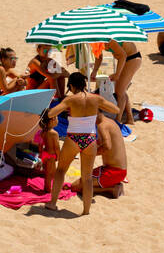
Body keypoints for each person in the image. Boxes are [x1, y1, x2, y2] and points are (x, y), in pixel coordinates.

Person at [42, 73, 119, 216]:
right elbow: (116, 110)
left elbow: (52, 113)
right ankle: (86, 210)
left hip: (73, 138)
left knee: (61, 170)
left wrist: (64, 108)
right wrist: (97, 107)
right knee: (87, 177)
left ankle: (52, 203)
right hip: (90, 139)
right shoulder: (96, 99)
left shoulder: (70, 99)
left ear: (71, 85)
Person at [69, 116, 129, 200]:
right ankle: (112, 185)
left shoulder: (102, 126)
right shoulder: (109, 122)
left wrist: (88, 154)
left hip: (113, 172)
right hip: (119, 170)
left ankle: (111, 189)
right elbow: (100, 142)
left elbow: (106, 147)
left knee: (75, 186)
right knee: (82, 182)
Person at [105, 39, 142, 124]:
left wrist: (117, 74)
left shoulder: (110, 40)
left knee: (119, 92)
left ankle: (117, 121)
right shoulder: (98, 42)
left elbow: (123, 56)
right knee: (121, 90)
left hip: (132, 58)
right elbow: (98, 57)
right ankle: (130, 119)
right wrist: (94, 71)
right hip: (126, 59)